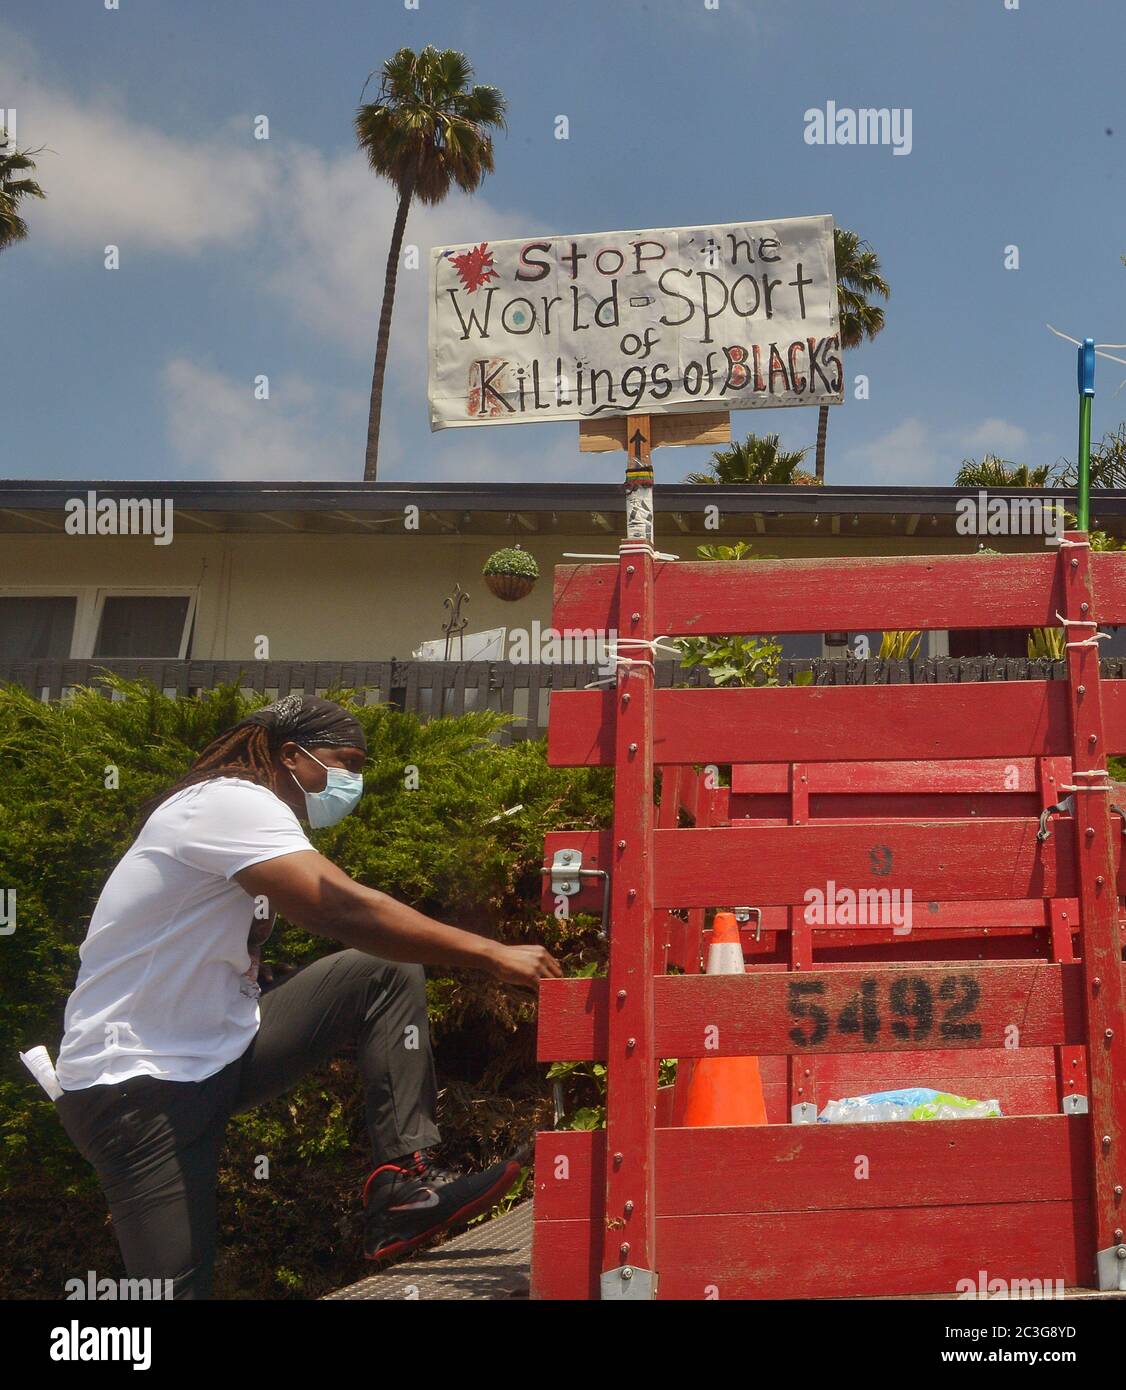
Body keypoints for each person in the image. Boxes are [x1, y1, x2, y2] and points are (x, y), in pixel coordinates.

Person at [52, 693, 561, 1299]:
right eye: (344, 762)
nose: (354, 780)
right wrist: (491, 954)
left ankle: (402, 1186)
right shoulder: (228, 803)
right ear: (291, 754)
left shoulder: (255, 813)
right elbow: (343, 908)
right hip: (135, 1084)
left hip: (215, 1055)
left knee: (379, 973)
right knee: (173, 1291)